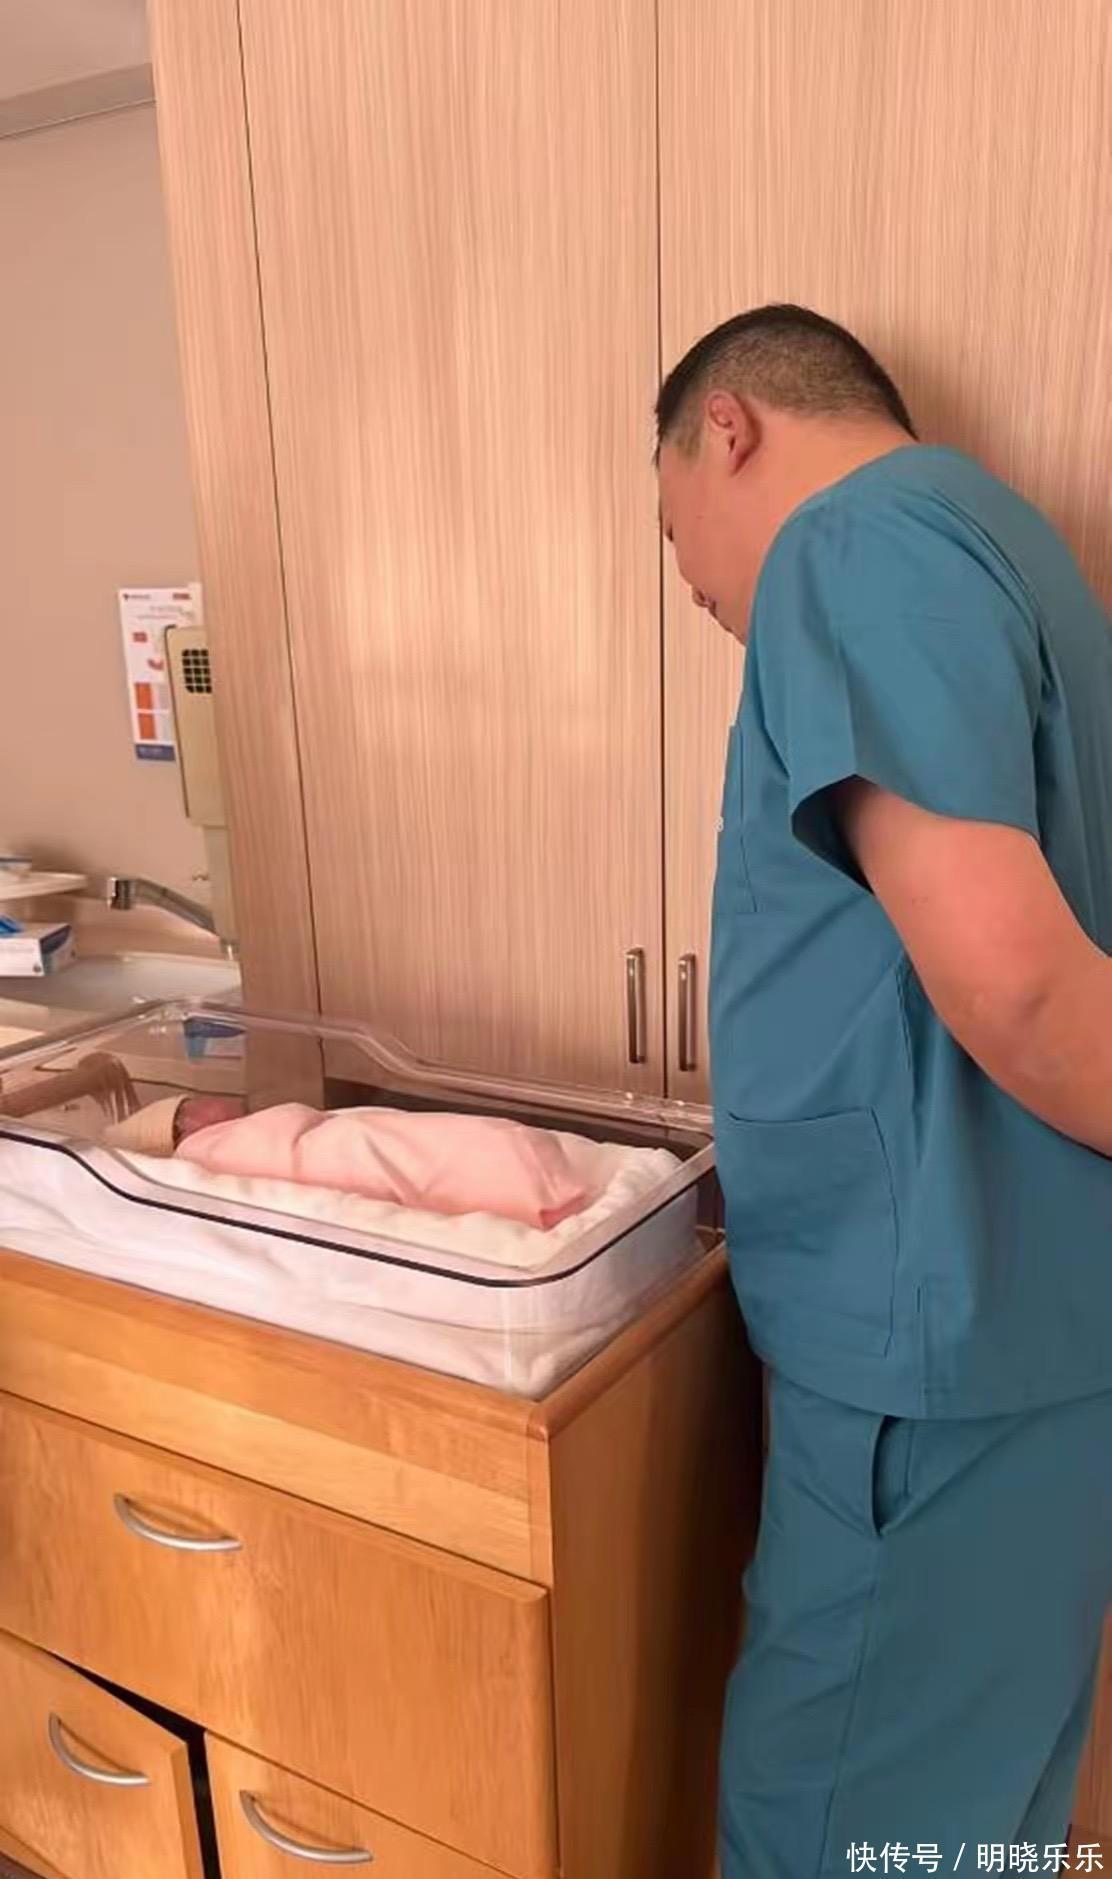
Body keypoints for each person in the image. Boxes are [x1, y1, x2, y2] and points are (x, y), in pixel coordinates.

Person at [656, 304, 1112, 1878]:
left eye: (675, 535)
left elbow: (1022, 986)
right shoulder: (1012, 550)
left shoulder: (851, 549)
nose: (696, 587)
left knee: (840, 1829)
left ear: (728, 429)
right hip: (1025, 1330)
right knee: (978, 1823)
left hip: (928, 1354)